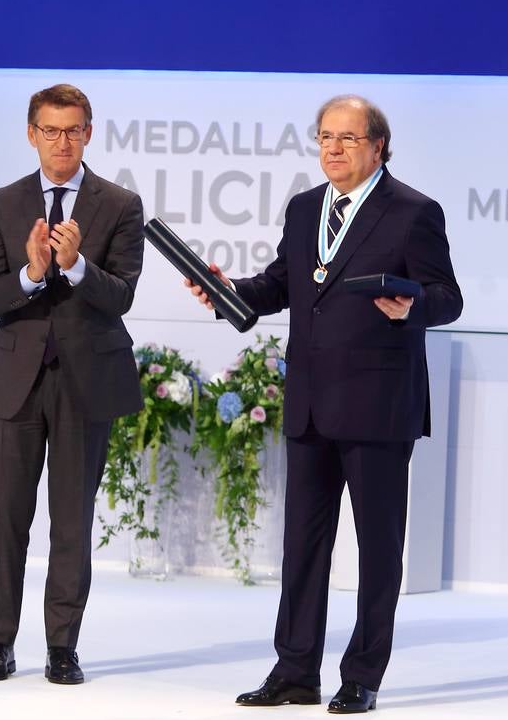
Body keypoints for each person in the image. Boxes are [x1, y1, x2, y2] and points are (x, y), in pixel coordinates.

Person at [186, 94, 462, 713]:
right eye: (324, 138)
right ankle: (294, 670)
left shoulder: (414, 212)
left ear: (377, 147)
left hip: (379, 407)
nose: (332, 149)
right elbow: (282, 284)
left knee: (377, 547)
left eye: (346, 139)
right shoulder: (305, 207)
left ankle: (362, 674)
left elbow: (449, 297)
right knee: (303, 545)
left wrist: (414, 303)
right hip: (310, 404)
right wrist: (231, 292)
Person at [0, 84, 145, 684]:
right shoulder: (2, 202)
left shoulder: (120, 204)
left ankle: (62, 647)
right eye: (51, 130)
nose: (62, 141)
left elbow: (121, 294)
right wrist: (31, 273)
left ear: (88, 134)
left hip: (85, 381)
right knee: (6, 517)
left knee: (72, 517)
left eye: (73, 130)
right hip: (15, 382)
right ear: (32, 134)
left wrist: (75, 268)